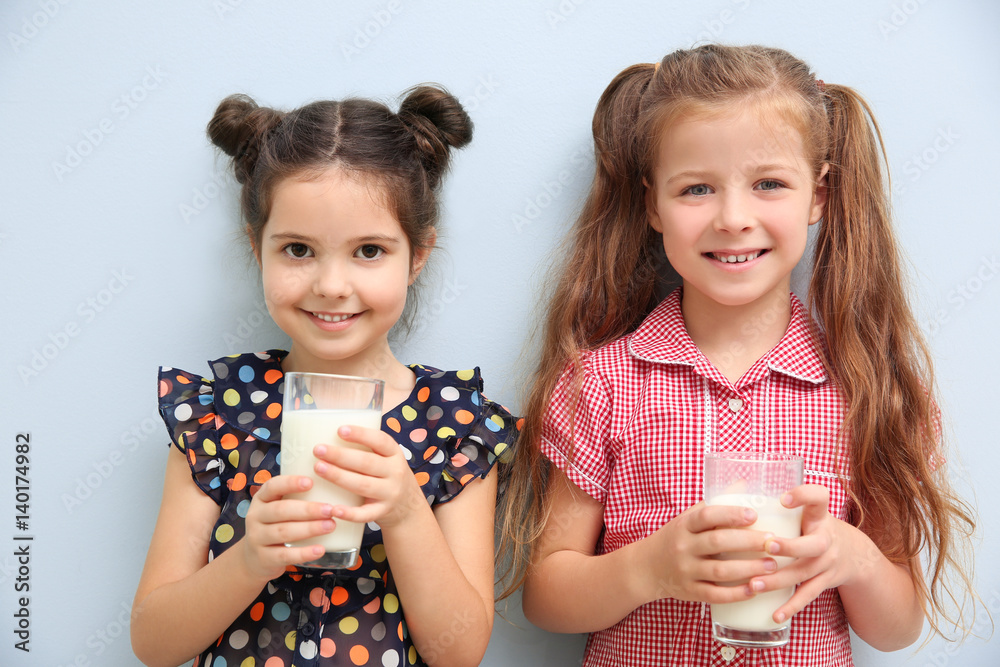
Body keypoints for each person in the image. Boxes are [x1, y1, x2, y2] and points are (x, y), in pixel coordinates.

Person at [498, 44, 976, 665]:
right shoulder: (602, 383)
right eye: (696, 188)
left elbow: (897, 628)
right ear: (652, 205)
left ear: (819, 196)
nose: (733, 218)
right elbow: (547, 597)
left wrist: (850, 556)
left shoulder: (868, 390)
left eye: (769, 184)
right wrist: (652, 568)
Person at [131, 85, 518, 667]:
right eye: (297, 249)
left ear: (418, 255)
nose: (331, 285)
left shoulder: (453, 424)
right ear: (256, 249)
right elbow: (153, 643)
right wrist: (249, 558)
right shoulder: (216, 415)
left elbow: (459, 652)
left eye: (368, 251)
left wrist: (407, 512)